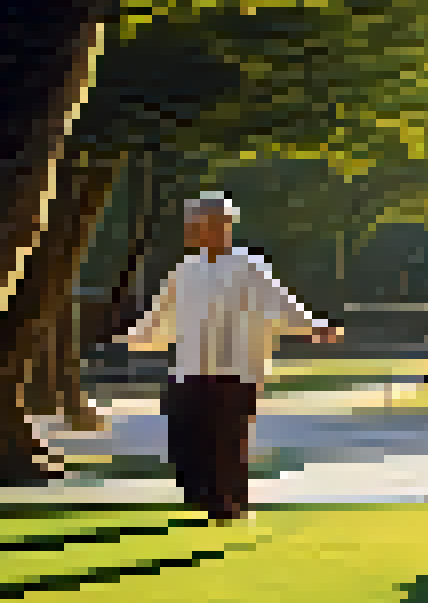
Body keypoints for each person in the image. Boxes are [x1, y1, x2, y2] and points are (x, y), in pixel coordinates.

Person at [120, 193, 342, 523]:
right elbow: (163, 312)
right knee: (185, 437)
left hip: (237, 370)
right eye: (195, 225)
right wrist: (139, 336)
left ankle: (230, 506)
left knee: (228, 441)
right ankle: (202, 498)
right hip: (190, 369)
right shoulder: (185, 270)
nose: (197, 231)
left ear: (223, 226)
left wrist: (313, 326)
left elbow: (280, 304)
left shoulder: (248, 267)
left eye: (207, 224)